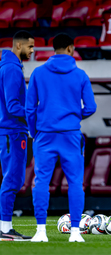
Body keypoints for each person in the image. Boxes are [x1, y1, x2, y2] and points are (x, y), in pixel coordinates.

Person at [26, 33, 97, 242]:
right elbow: (91, 107)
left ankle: (40, 232)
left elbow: (29, 109)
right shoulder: (81, 75)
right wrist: (74, 116)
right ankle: (75, 233)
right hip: (71, 136)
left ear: (53, 49)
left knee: (41, 182)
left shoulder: (38, 73)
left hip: (45, 136)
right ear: (71, 49)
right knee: (75, 182)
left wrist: (34, 131)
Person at [0, 31, 34, 241]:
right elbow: (13, 106)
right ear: (18, 45)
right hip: (12, 132)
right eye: (29, 47)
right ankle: (4, 228)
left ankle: (5, 227)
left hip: (9, 132)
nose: (32, 51)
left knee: (11, 178)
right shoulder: (12, 69)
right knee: (12, 179)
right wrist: (36, 112)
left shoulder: (9, 66)